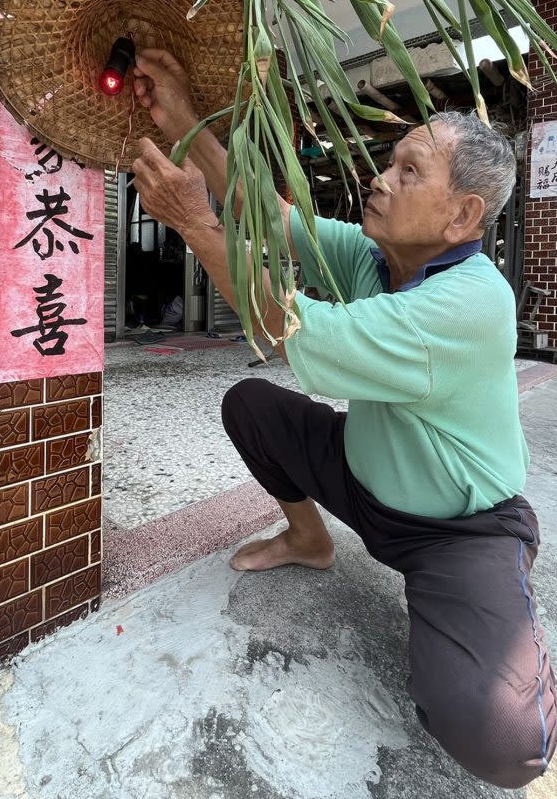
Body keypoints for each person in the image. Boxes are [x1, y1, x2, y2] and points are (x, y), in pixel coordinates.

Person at [131, 48, 556, 789]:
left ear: (462, 214)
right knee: (252, 406)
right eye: (390, 164)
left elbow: (277, 322)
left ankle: (507, 615)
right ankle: (309, 539)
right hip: (361, 480)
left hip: (457, 531)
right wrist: (180, 112)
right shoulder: (372, 253)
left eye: (407, 172)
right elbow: (266, 213)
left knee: (506, 745)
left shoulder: (468, 301)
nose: (379, 179)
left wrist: (192, 222)